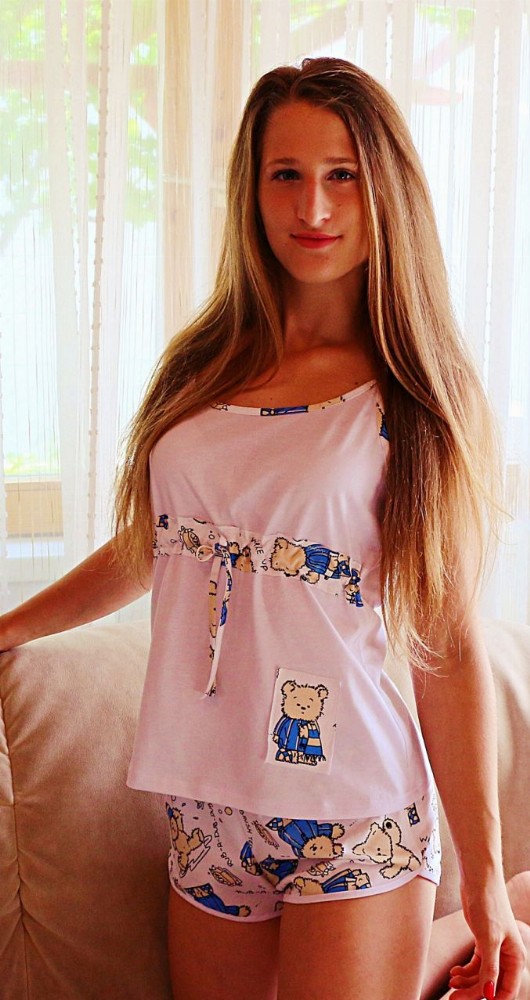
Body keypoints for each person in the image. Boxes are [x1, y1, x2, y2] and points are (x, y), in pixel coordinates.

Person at [0, 58, 525, 1000]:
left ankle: (469, 921)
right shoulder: (202, 367)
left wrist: (483, 877)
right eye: (286, 174)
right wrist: (10, 626)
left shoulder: (414, 394)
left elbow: (446, 640)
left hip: (354, 807)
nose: (312, 207)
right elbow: (159, 539)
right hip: (207, 802)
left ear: (384, 187)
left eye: (342, 174)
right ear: (252, 187)